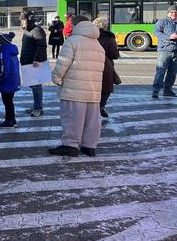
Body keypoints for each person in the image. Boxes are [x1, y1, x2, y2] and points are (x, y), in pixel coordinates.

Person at [49, 15, 105, 157]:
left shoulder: (73, 41)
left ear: (75, 26)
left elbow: (63, 62)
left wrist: (56, 77)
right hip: (93, 90)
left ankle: (70, 145)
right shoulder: (97, 44)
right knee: (92, 120)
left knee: (72, 118)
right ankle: (89, 146)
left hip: (74, 89)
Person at [20, 11, 48, 117]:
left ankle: (38, 108)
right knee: (33, 85)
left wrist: (37, 59)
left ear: (29, 19)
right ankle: (37, 106)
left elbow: (41, 46)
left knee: (36, 86)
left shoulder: (37, 30)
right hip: (27, 62)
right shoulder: (28, 31)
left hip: (34, 63)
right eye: (21, 20)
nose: (22, 22)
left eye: (23, 20)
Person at [93, 16, 120, 119]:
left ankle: (93, 105)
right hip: (106, 66)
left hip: (91, 64)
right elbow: (114, 55)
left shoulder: (90, 36)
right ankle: (101, 105)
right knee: (106, 87)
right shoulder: (109, 38)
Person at [0, 32, 21, 128]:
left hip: (6, 81)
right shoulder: (11, 50)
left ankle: (9, 120)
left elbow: (4, 68)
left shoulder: (4, 52)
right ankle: (11, 119)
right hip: (13, 80)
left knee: (7, 102)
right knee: (9, 101)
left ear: (1, 43)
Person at [152, 5, 177, 99]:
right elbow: (156, 32)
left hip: (176, 52)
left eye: (175, 12)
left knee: (172, 73)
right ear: (168, 13)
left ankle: (168, 91)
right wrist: (169, 36)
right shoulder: (162, 21)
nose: (174, 14)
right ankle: (155, 92)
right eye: (172, 12)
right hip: (164, 51)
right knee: (160, 72)